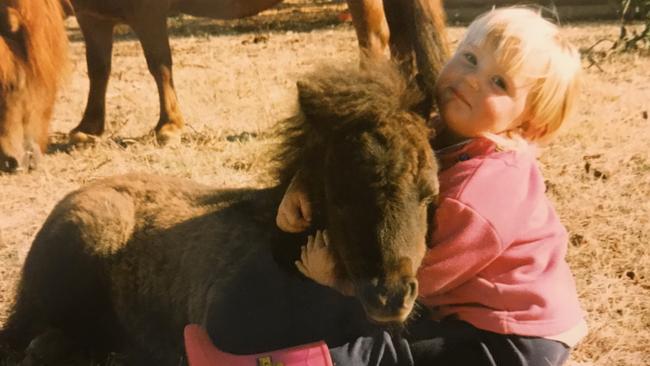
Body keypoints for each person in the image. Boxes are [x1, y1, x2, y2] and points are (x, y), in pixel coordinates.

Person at [185, 6, 587, 366]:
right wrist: (304, 182)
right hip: (468, 309)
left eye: (499, 82)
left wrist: (335, 280)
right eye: (469, 58)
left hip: (509, 339)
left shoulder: (480, 196)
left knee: (373, 352)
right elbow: (370, 159)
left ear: (529, 124)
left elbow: (411, 282)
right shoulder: (450, 128)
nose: (473, 80)